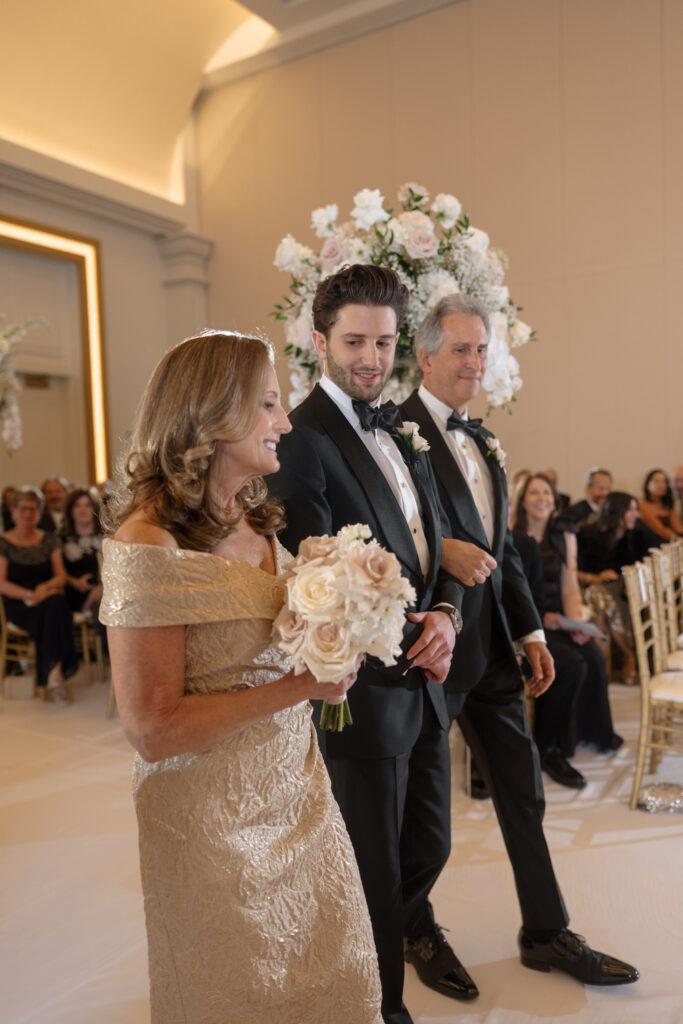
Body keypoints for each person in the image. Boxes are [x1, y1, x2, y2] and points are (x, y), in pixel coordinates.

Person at [100, 331, 383, 1024]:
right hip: (210, 825)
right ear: (211, 413)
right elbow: (152, 729)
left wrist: (336, 628)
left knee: (341, 981)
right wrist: (302, 686)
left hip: (301, 791)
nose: (284, 422)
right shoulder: (148, 542)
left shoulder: (255, 517)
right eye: (267, 405)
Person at [400, 293, 638, 993]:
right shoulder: (397, 433)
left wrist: (530, 628)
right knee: (428, 819)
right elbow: (387, 535)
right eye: (460, 349)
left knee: (522, 797)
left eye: (482, 350)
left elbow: (500, 547)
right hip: (431, 656)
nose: (474, 362)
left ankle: (544, 933)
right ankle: (414, 928)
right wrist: (436, 553)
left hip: (495, 653)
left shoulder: (484, 439)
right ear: (424, 355)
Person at [268, 265, 463, 1024]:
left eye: (383, 342)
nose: (371, 358)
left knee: (430, 847)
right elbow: (311, 567)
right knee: (375, 870)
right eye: (354, 340)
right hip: (359, 691)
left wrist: (445, 613)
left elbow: (433, 545)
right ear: (319, 341)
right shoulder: (301, 438)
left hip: (425, 681)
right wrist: (414, 632)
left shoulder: (401, 427)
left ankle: (342, 952)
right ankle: (378, 1009)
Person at [512, 474, 622, 757]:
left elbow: (570, 586)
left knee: (593, 655)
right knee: (571, 664)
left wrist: (577, 624)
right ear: (522, 501)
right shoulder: (511, 536)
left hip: (558, 619)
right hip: (526, 623)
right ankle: (551, 745)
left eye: (546, 493)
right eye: (534, 493)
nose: (542, 498)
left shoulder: (562, 535)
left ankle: (588, 733)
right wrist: (543, 618)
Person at [0, 487, 78, 703]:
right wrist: (29, 594)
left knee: (55, 604)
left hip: (46, 597)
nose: (27, 514)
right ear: (13, 511)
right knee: (56, 607)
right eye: (23, 509)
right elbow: (1, 583)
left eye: (33, 509)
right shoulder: (4, 543)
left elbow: (61, 576)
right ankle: (55, 678)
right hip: (18, 603)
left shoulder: (49, 540)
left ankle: (53, 677)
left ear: (39, 512)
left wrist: (43, 589)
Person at [577, 491, 646, 684]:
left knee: (602, 600)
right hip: (587, 588)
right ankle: (628, 654)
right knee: (599, 595)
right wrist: (595, 577)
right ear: (617, 511)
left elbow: (641, 565)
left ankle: (597, 660)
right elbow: (569, 570)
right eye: (631, 510)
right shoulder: (587, 533)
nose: (636, 515)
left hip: (622, 593)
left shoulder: (636, 535)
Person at [61, 488, 103, 616]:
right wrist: (75, 582)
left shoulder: (107, 537)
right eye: (77, 505)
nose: (83, 509)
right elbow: (56, 572)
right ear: (70, 511)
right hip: (75, 591)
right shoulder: (60, 539)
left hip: (105, 589)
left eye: (88, 505)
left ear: (95, 508)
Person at [638, 468, 683, 543]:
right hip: (650, 544)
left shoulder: (666, 503)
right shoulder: (642, 504)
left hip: (669, 541)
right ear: (647, 484)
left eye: (664, 481)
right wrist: (679, 540)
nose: (661, 485)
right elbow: (659, 529)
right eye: (656, 481)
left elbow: (678, 528)